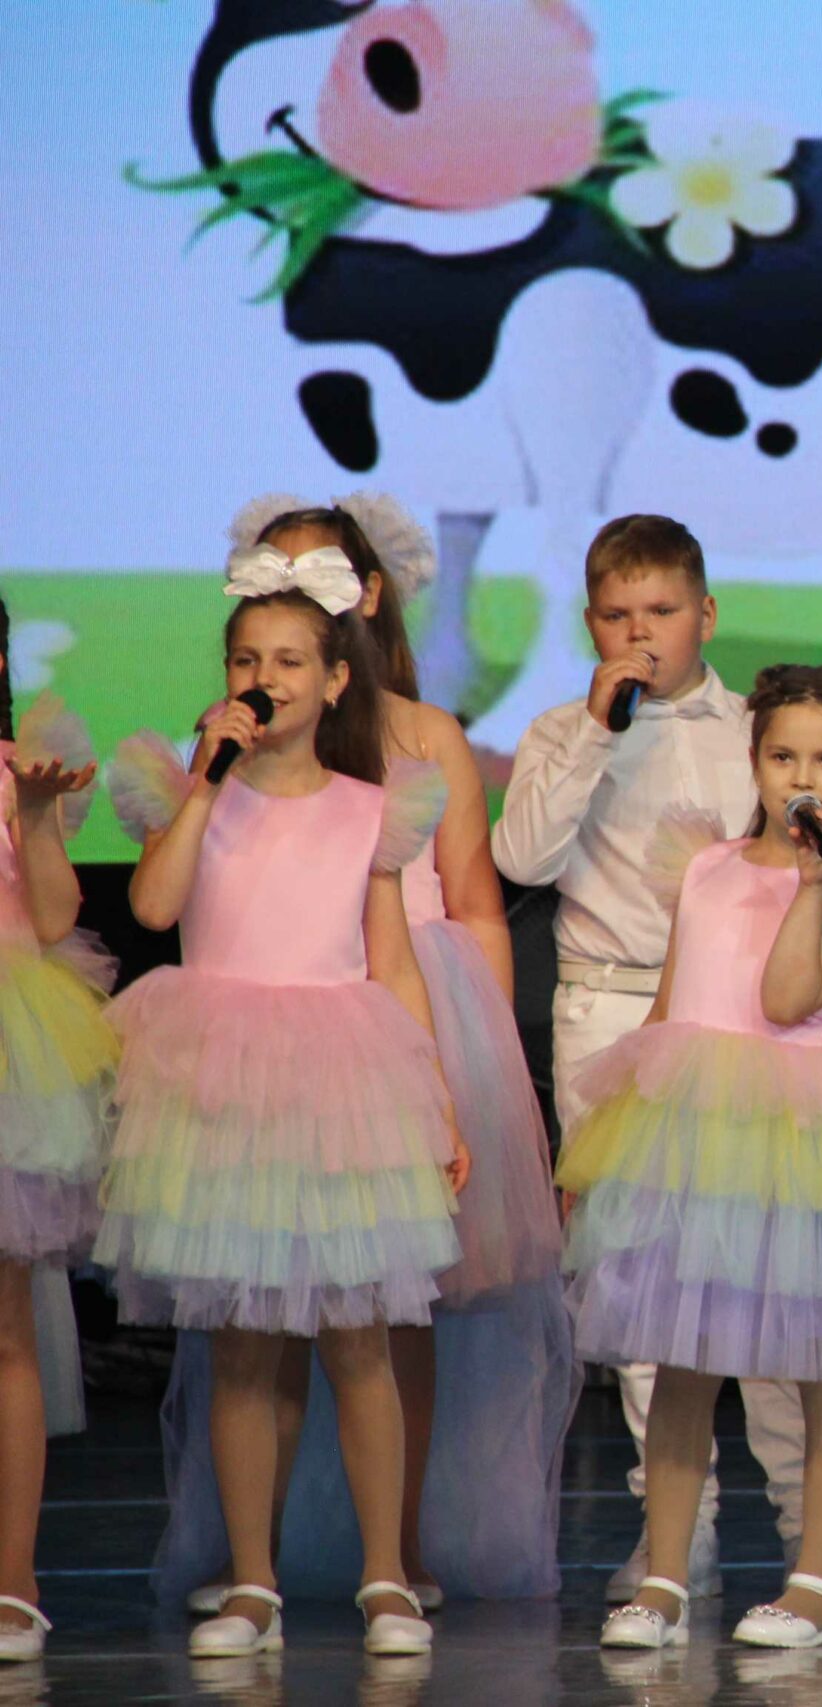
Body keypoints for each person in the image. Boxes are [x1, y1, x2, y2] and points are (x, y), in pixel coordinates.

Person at [162, 497, 573, 1614]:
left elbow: (476, 906)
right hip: (274, 1014)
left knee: (393, 1306)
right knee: (259, 1305)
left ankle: (400, 1552)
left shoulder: (422, 736)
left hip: (406, 1011)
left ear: (362, 603)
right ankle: (258, 1559)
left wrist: (480, 1067)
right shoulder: (236, 748)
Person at [493, 516, 822, 1599]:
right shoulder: (563, 730)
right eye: (616, 616)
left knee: (778, 1284)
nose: (641, 633)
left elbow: (796, 888)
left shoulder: (758, 734)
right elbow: (521, 857)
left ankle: (812, 1527)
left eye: (662, 612)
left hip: (764, 1023)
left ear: (705, 614)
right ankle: (675, 1532)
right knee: (652, 1290)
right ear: (589, 624)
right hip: (616, 1012)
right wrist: (596, 730)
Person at [98, 559, 463, 1657]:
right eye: (247, 659)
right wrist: (205, 783)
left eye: (291, 660)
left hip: (341, 1084)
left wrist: (436, 1105)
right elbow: (154, 905)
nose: (267, 677)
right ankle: (251, 1581)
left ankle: (386, 1576)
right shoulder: (194, 795)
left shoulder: (372, 812)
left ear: (336, 680)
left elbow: (394, 968)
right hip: (223, 1085)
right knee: (245, 1347)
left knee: (359, 1340)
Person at [565, 664, 822, 1652]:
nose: (801, 778)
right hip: (693, 1137)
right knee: (682, 1363)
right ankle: (664, 1578)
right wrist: (612, 1148)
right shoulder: (703, 865)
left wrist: (811, 883)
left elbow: (783, 1000)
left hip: (798, 1142)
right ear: (754, 760)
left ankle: (818, 1583)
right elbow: (666, 1011)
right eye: (782, 757)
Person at [0, 619, 116, 1663]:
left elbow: (51, 916)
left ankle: (13, 1579)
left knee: (6, 1329)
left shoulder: (17, 771)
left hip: (10, 1055)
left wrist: (34, 816)